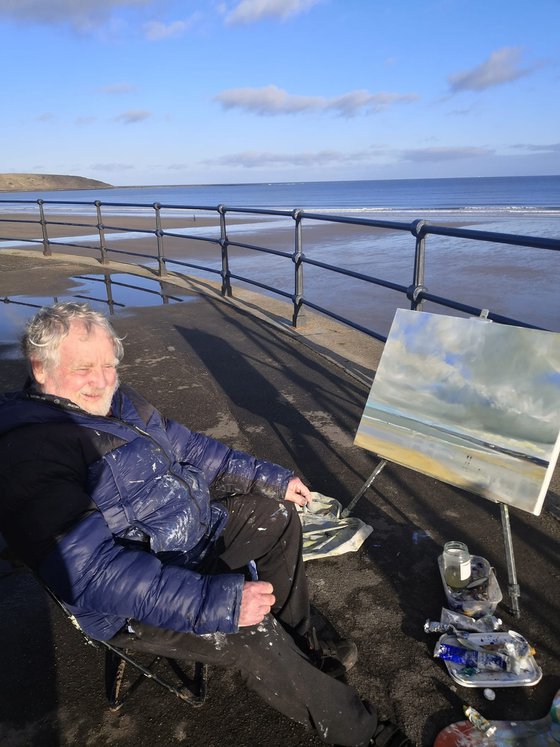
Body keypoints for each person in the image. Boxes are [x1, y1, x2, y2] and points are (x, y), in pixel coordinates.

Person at [0, 302, 410, 747]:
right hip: (128, 598)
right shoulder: (31, 453)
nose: (102, 380)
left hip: (190, 537)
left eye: (109, 365)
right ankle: (369, 736)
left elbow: (192, 450)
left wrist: (273, 479)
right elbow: (91, 573)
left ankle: (301, 645)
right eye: (84, 369)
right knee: (249, 632)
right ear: (41, 368)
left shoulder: (122, 402)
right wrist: (215, 601)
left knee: (275, 515)